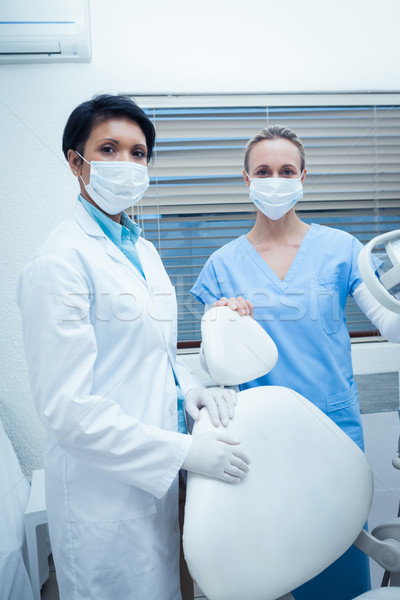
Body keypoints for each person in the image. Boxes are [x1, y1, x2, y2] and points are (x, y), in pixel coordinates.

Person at [16, 94, 250, 600]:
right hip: (101, 497)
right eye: (108, 149)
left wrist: (190, 391)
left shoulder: (138, 247)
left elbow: (154, 355)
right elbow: (68, 413)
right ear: (76, 163)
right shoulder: (59, 263)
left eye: (138, 153)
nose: (126, 164)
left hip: (151, 481)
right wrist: (187, 450)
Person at [190, 125, 400, 600]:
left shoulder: (341, 248)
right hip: (263, 434)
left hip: (335, 427)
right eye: (263, 171)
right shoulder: (222, 264)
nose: (275, 179)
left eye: (287, 170)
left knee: (341, 549)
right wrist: (223, 323)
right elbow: (210, 363)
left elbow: (390, 323)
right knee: (276, 557)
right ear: (246, 179)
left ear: (303, 177)